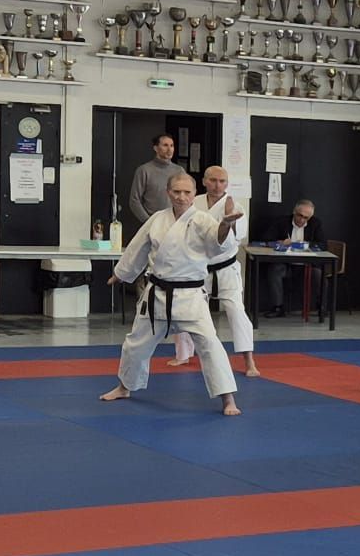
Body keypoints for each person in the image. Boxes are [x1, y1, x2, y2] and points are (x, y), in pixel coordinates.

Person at [100, 170, 243, 416]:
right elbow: (138, 247)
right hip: (157, 293)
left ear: (194, 194)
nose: (181, 197)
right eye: (176, 191)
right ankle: (124, 387)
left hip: (190, 297)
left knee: (210, 345)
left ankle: (228, 398)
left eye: (186, 192)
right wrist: (122, 273)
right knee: (135, 344)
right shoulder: (157, 219)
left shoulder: (203, 220)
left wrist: (226, 224)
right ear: (168, 193)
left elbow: (218, 243)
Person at [169, 166, 259, 379]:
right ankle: (183, 353)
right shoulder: (194, 202)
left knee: (236, 310)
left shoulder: (235, 205)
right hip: (197, 268)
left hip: (226, 267)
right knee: (184, 308)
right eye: (213, 180)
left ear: (227, 184)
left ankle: (249, 360)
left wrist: (230, 218)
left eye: (222, 181)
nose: (218, 185)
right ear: (204, 181)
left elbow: (239, 237)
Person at [261, 198, 328, 316]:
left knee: (319, 276)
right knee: (274, 271)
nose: (302, 220)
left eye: (306, 217)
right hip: (286, 264)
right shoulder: (282, 222)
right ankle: (278, 308)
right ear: (294, 212)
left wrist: (306, 245)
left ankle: (321, 307)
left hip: (307, 266)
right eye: (299, 215)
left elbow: (323, 245)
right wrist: (280, 242)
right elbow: (266, 239)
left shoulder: (315, 224)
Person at [127, 133, 183, 227]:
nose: (169, 149)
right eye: (165, 145)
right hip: (152, 222)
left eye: (172, 145)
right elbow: (134, 200)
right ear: (156, 148)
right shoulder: (144, 170)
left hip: (175, 223)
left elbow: (186, 196)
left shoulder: (179, 171)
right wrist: (148, 222)